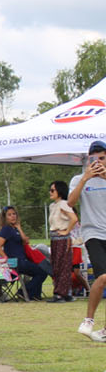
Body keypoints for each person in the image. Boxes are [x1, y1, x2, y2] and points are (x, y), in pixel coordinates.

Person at [69, 140, 106, 339]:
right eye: (94, 158)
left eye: (102, 158)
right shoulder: (79, 179)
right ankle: (89, 319)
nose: (98, 162)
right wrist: (86, 178)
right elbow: (70, 202)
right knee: (103, 276)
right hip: (93, 234)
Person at [0, 205, 49, 300]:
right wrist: (5, 258)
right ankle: (24, 292)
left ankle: (35, 295)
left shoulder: (15, 229)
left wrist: (19, 228)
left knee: (41, 270)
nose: (13, 216)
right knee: (42, 272)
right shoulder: (6, 229)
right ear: (5, 218)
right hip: (16, 261)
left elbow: (25, 241)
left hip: (22, 259)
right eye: (9, 215)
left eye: (14, 214)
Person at [47, 180, 78, 303]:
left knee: (63, 265)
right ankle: (64, 292)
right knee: (56, 265)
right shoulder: (52, 206)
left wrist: (66, 231)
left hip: (62, 238)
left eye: (52, 190)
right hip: (54, 238)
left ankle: (61, 293)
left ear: (59, 191)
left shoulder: (64, 204)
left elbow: (74, 219)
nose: (50, 192)